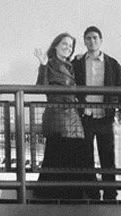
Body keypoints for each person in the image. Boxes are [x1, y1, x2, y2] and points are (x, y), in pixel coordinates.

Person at [72, 25, 121, 201]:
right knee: (86, 157)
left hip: (105, 117)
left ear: (101, 41)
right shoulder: (78, 63)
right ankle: (92, 194)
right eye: (88, 38)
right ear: (84, 41)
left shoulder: (112, 63)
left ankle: (110, 194)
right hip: (85, 116)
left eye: (95, 38)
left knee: (107, 156)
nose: (92, 41)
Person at [34, 33, 91, 200]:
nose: (68, 48)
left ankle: (67, 194)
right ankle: (56, 195)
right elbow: (41, 87)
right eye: (64, 44)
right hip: (59, 114)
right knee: (59, 154)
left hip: (72, 115)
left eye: (71, 46)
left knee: (70, 155)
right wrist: (43, 65)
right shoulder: (50, 64)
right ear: (56, 46)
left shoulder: (70, 65)